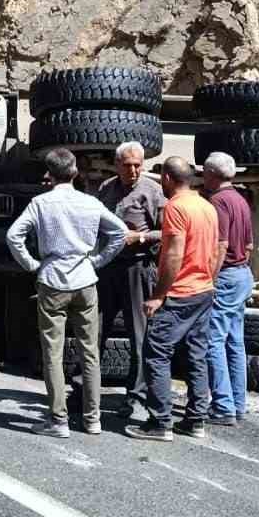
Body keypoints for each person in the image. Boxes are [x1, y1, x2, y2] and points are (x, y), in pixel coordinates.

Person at [6, 148, 128, 439]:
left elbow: (14, 236)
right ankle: (92, 419)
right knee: (90, 353)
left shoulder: (40, 203)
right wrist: (97, 261)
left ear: (49, 174)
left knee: (53, 354)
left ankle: (58, 420)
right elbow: (120, 234)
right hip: (85, 280)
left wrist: (33, 264)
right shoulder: (90, 202)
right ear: (74, 172)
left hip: (52, 281)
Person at [133, 156, 220, 442]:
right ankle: (195, 420)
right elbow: (219, 249)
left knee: (156, 353)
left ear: (167, 179)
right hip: (203, 290)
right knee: (196, 355)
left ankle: (160, 422)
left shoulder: (176, 207)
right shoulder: (206, 206)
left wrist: (158, 295)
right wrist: (209, 279)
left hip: (180, 294)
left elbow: (173, 255)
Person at [95, 141, 165, 418]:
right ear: (117, 165)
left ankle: (136, 398)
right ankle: (84, 389)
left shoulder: (153, 191)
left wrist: (142, 237)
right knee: (95, 330)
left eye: (138, 165)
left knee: (139, 336)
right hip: (108, 268)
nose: (133, 170)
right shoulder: (106, 189)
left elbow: (168, 232)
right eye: (127, 165)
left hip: (138, 268)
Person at [203, 151, 255, 426]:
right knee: (235, 342)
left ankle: (223, 407)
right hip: (243, 274)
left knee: (213, 340)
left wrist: (210, 279)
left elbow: (220, 244)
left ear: (211, 174)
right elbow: (249, 246)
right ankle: (237, 403)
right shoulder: (241, 200)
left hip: (226, 276)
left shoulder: (219, 201)